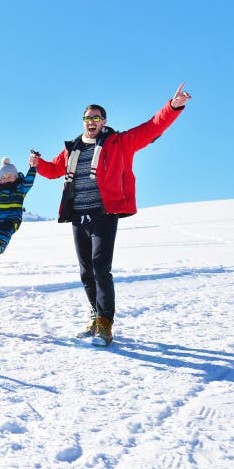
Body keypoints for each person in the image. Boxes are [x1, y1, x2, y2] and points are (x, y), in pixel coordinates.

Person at [35, 83, 192, 346]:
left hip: (103, 214)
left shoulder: (119, 143)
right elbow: (53, 170)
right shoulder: (72, 149)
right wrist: (37, 164)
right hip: (78, 215)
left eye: (96, 118)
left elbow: (151, 127)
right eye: (87, 118)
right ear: (83, 121)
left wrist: (173, 106)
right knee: (86, 272)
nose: (91, 122)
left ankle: (106, 325)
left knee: (100, 266)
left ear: (104, 121)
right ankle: (95, 315)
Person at [0, 156, 38, 266]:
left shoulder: (20, 189)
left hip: (12, 219)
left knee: (4, 232)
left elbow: (29, 180)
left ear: (16, 176)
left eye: (9, 176)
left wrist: (33, 167)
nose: (6, 179)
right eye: (3, 177)